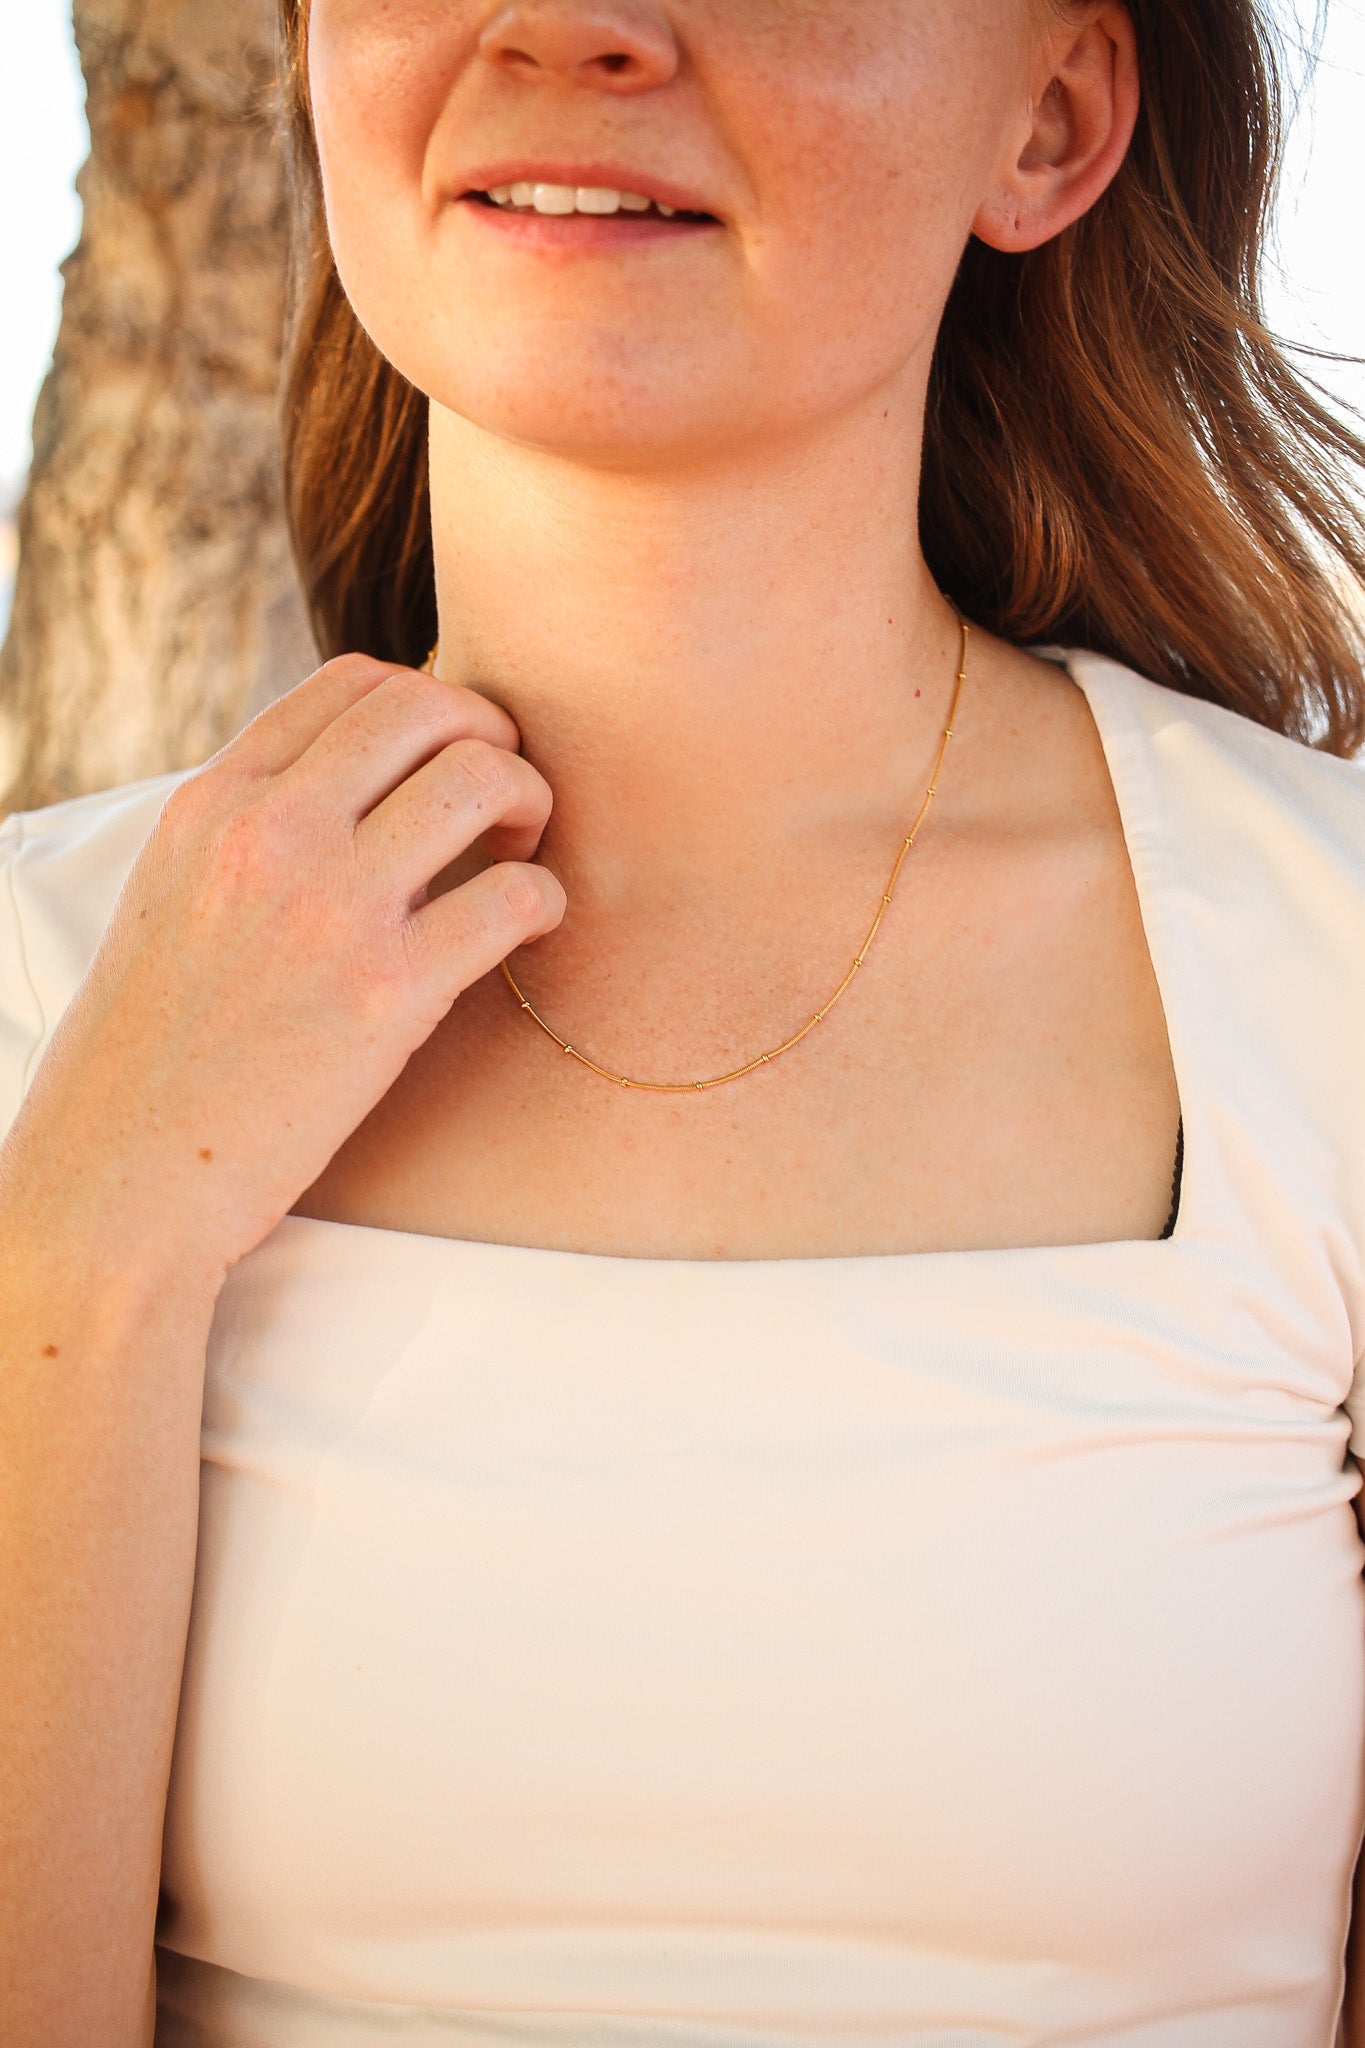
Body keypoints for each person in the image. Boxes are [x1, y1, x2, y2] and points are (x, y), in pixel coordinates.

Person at [3, 0, 1365, 2041]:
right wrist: (89, 1249)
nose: (570, 24)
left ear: (1051, 118)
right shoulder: (39, 993)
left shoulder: (1323, 964)